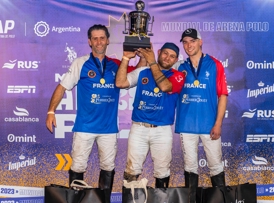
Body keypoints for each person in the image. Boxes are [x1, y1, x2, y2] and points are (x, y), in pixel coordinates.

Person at [45, 24, 145, 203]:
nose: (99, 41)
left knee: (108, 167)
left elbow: (138, 72)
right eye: (95, 38)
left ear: (107, 41)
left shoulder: (117, 64)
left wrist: (143, 52)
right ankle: (76, 201)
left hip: (108, 128)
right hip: (85, 126)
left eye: (102, 38)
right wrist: (51, 111)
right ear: (90, 42)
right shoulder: (81, 63)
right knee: (77, 166)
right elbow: (62, 87)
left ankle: (104, 201)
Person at [116, 42, 185, 188]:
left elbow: (165, 87)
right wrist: (126, 58)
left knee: (162, 172)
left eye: (172, 56)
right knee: (131, 170)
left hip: (162, 130)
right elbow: (120, 83)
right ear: (159, 52)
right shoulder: (142, 72)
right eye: (165, 53)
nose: (167, 58)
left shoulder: (178, 76)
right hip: (139, 128)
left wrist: (152, 61)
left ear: (176, 60)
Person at [174, 28, 228, 202]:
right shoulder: (179, 67)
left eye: (192, 41)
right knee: (190, 166)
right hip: (186, 125)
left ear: (200, 42)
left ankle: (220, 200)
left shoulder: (215, 64)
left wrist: (218, 123)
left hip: (209, 125)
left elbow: (223, 95)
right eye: (185, 42)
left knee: (215, 165)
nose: (189, 45)